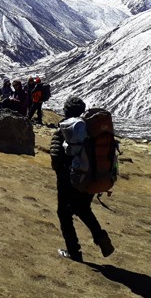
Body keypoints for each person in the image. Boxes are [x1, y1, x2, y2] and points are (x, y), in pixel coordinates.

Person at [50, 96, 115, 262]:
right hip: (91, 178)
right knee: (83, 208)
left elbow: (56, 156)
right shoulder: (91, 131)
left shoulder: (64, 130)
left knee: (64, 213)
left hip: (69, 178)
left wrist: (61, 173)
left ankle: (74, 251)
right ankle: (100, 236)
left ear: (65, 112)